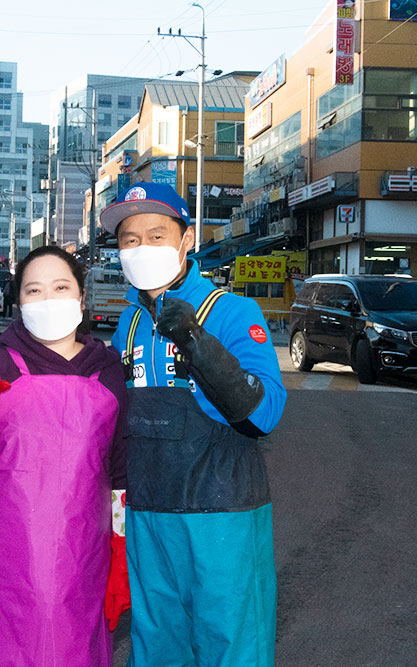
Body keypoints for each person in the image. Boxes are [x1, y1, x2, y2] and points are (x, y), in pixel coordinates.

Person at [101, 182, 287, 666]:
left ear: (187, 240)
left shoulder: (232, 312)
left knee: (231, 644)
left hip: (223, 515)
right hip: (148, 512)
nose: (142, 249)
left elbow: (264, 413)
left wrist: (197, 343)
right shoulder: (130, 324)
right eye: (129, 240)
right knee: (157, 644)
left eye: (156, 235)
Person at [0, 245, 128, 666]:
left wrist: (123, 548)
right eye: (34, 290)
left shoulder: (108, 371)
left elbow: (121, 467)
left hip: (81, 558)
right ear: (18, 302)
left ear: (82, 297)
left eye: (60, 287)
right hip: (0, 561)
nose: (48, 299)